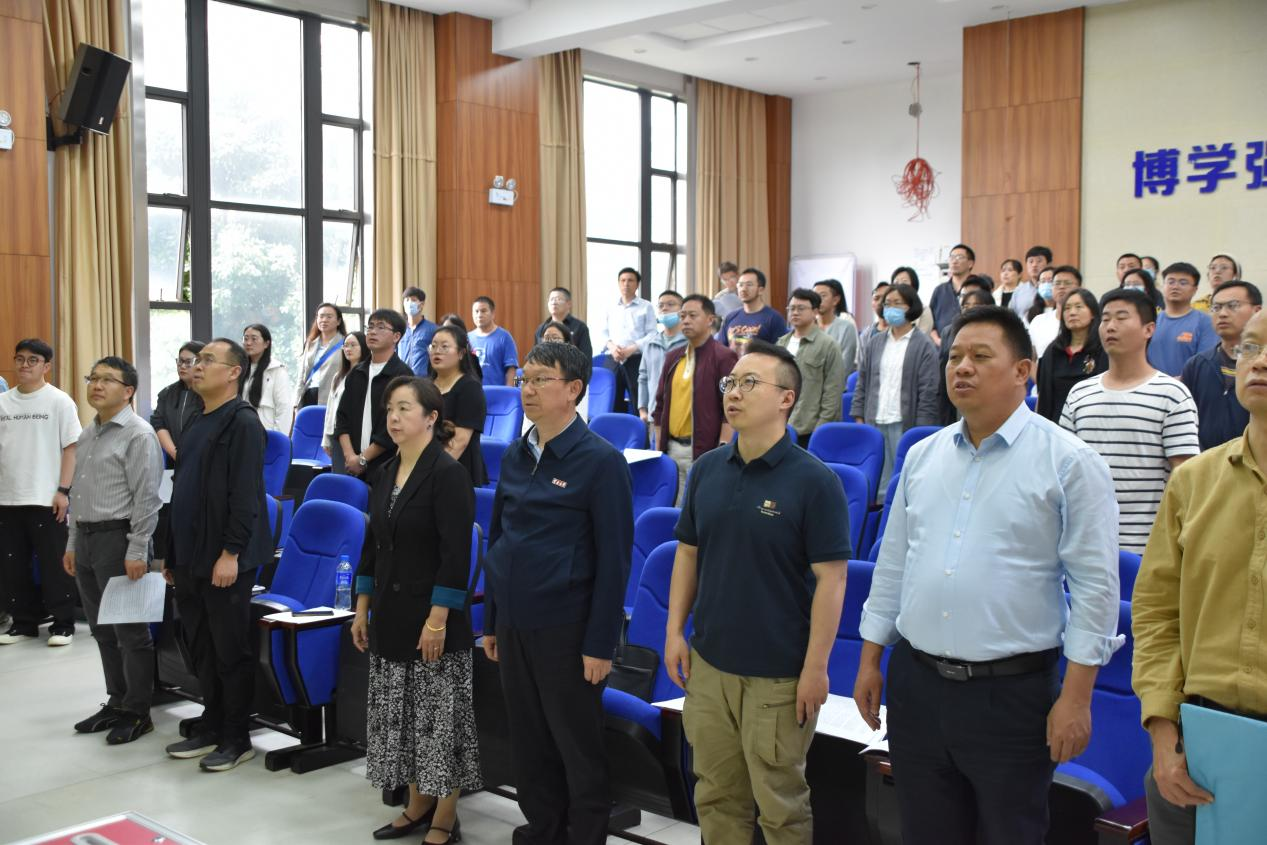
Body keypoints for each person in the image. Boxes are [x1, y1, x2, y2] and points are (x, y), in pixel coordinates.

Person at [854, 305, 1121, 845]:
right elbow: (895, 563)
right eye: (955, 356)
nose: (962, 367)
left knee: (1010, 833)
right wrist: (870, 658)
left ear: (1023, 370)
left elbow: (1095, 588)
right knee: (925, 832)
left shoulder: (1069, 461)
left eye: (980, 356)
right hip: (917, 685)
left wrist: (1076, 698)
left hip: (1013, 694)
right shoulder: (923, 456)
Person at [664, 340, 850, 844]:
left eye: (750, 383)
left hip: (778, 675)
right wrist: (675, 632)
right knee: (716, 795)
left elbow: (833, 580)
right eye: (731, 383)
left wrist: (816, 667)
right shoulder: (707, 469)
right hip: (710, 666)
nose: (734, 393)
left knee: (780, 805)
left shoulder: (815, 481)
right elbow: (687, 554)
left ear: (787, 398)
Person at [482, 341, 633, 845]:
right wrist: (492, 620)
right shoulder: (515, 453)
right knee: (528, 739)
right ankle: (543, 829)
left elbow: (615, 561)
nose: (527, 389)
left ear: (574, 389)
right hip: (514, 620)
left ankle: (584, 835)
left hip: (567, 627)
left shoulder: (601, 461)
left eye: (540, 379)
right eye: (524, 379)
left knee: (575, 744)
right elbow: (500, 539)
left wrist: (600, 644)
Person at [1132, 309, 1267, 844]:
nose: (1260, 362)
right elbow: (1157, 613)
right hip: (1196, 747)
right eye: (1251, 347)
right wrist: (1163, 734)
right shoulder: (1194, 481)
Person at [351, 377, 481, 845]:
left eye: (405, 408)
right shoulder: (385, 472)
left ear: (431, 417)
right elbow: (373, 545)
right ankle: (416, 805)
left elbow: (455, 556)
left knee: (438, 722)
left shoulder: (448, 474)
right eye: (390, 408)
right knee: (402, 719)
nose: (394, 417)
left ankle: (445, 818)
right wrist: (362, 608)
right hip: (390, 614)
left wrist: (437, 620)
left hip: (432, 620)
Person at [162, 338, 273, 772]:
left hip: (224, 557)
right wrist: (171, 553)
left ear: (233, 372)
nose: (197, 365)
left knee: (230, 650)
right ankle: (211, 722)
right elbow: (183, 491)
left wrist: (231, 553)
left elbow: (245, 496)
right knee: (201, 646)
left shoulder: (242, 422)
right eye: (197, 359)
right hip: (190, 556)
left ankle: (236, 736)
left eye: (208, 360)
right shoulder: (196, 418)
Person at [63, 356, 163, 744]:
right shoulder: (89, 432)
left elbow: (147, 498)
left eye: (108, 379)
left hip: (120, 539)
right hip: (87, 538)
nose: (97, 385)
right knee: (102, 629)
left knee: (130, 632)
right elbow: (78, 493)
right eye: (93, 378)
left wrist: (137, 549)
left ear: (129, 391)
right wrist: (73, 543)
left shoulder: (138, 434)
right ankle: (117, 700)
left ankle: (138, 711)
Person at [1060, 289, 1200, 554]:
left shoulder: (1172, 394)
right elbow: (1063, 467)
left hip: (1147, 548)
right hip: (1085, 545)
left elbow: (1185, 475)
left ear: (1149, 329)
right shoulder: (1080, 393)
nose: (1110, 326)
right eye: (1105, 319)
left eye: (1121, 318)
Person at [0, 338, 81, 647]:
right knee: (12, 565)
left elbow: (71, 448)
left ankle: (63, 623)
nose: (25, 365)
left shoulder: (59, 401)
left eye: (32, 360)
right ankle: (23, 623)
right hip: (8, 497)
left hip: (47, 497)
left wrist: (63, 490)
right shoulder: (3, 402)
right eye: (20, 358)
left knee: (54, 563)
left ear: (46, 366)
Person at [850, 284, 940, 496]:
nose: (891, 308)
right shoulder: (875, 342)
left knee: (904, 479)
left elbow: (929, 391)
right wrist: (859, 416)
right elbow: (863, 381)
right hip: (875, 420)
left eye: (897, 303)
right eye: (887, 303)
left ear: (910, 307)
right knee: (877, 480)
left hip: (906, 423)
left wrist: (921, 429)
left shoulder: (924, 344)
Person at [654, 295, 739, 504]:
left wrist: (722, 449)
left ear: (710, 320)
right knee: (672, 510)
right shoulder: (673, 357)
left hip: (703, 449)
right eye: (682, 316)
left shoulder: (723, 357)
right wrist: (659, 447)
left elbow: (730, 408)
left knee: (698, 508)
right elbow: (660, 405)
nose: (686, 321)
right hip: (671, 449)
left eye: (692, 315)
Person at [1181, 281, 1262, 450]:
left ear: (1257, 311)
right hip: (1205, 461)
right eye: (1216, 307)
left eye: (1233, 306)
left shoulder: (1261, 365)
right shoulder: (1197, 365)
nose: (1222, 314)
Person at [336, 310, 413, 482]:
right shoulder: (357, 372)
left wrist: (363, 459)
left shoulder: (403, 375)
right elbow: (342, 417)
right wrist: (350, 457)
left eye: (380, 327)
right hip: (351, 464)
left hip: (387, 464)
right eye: (370, 327)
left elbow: (396, 426)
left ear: (396, 337)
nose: (372, 332)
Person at [151, 341, 206, 565]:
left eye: (188, 362)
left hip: (202, 464)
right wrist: (176, 453)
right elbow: (159, 423)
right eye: (179, 361)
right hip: (176, 463)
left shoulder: (208, 393)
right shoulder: (168, 393)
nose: (182, 366)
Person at [778, 288, 846, 446]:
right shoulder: (781, 343)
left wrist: (821, 429)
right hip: (782, 425)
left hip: (810, 428)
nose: (795, 312)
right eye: (791, 308)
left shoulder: (828, 345)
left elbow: (833, 391)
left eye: (801, 308)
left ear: (815, 312)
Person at [1036, 288, 1108, 423]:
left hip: (1092, 424)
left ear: (1093, 313)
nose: (1072, 312)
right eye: (1067, 308)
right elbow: (1043, 396)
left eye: (1079, 307)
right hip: (1056, 425)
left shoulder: (1103, 349)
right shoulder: (1053, 351)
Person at [428, 326, 488, 486]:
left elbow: (459, 441)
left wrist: (429, 474)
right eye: (433, 346)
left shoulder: (470, 387)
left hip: (457, 469)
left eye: (444, 347)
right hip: (425, 465)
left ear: (461, 353)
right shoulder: (425, 386)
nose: (437, 351)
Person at [597, 268, 657, 413]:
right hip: (613, 359)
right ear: (618, 283)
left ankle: (640, 427)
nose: (626, 284)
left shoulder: (646, 306)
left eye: (630, 280)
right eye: (623, 280)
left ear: (637, 284)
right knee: (611, 402)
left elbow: (652, 334)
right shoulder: (610, 307)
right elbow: (603, 332)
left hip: (637, 360)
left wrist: (632, 348)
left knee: (639, 402)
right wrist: (612, 347)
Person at [936, 287, 997, 425]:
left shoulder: (996, 334)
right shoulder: (949, 332)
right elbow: (943, 369)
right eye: (966, 306)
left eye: (976, 305)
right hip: (959, 394)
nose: (970, 310)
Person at [1148, 262, 1219, 377]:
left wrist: (1176, 383)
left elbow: (1205, 366)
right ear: (1163, 286)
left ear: (1195, 289)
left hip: (1189, 386)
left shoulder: (1206, 323)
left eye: (1183, 282)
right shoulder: (1150, 321)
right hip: (1150, 385)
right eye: (1170, 282)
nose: (1175, 286)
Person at [638, 290, 688, 446]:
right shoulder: (651, 343)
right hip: (655, 414)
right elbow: (643, 377)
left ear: (682, 311)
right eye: (660, 305)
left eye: (671, 304)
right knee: (657, 455)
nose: (664, 308)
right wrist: (642, 409)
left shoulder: (690, 342)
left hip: (683, 416)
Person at [322, 331, 366, 474]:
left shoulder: (366, 375)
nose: (348, 349)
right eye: (345, 345)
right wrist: (326, 438)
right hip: (336, 433)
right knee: (338, 475)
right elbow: (330, 409)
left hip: (355, 436)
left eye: (353, 345)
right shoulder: (338, 376)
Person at [720, 267, 788, 355]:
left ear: (760, 290)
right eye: (740, 285)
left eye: (749, 285)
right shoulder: (730, 317)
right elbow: (720, 350)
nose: (743, 289)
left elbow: (781, 353)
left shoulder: (774, 318)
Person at [241, 324, 293, 433]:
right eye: (245, 339)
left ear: (266, 343)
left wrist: (278, 437)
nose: (248, 343)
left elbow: (284, 408)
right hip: (241, 430)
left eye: (254, 339)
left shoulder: (276, 370)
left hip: (266, 431)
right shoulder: (239, 369)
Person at [295, 303, 346, 409]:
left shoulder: (345, 343)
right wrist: (296, 402)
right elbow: (302, 375)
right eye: (321, 316)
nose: (324, 320)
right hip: (308, 396)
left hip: (332, 397)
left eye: (329, 317)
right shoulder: (310, 344)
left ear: (338, 321)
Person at [1029, 265, 1083, 361]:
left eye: (1067, 283)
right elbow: (1032, 357)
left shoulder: (1086, 320)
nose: (1061, 287)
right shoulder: (1038, 321)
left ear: (1080, 288)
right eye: (1057, 283)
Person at [929, 244, 975, 345]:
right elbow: (931, 322)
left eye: (959, 257)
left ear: (970, 263)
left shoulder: (978, 288)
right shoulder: (939, 290)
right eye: (952, 257)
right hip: (942, 347)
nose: (954, 261)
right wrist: (938, 341)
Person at [812, 278, 859, 379]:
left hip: (835, 384)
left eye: (823, 296)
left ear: (835, 300)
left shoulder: (846, 327)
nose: (817, 300)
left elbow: (844, 367)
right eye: (814, 296)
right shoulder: (808, 326)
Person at [469, 296, 519, 388]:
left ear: (493, 314)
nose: (479, 315)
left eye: (483, 311)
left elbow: (511, 369)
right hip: (473, 391)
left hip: (497, 392)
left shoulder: (504, 337)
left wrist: (509, 392)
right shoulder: (467, 338)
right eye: (476, 311)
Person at [534, 286, 592, 358]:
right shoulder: (541, 328)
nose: (554, 302)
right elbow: (535, 356)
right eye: (551, 299)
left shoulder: (580, 327)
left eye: (558, 299)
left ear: (569, 304)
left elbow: (586, 358)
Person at [398, 286, 438, 376]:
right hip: (401, 378)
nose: (409, 303)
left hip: (422, 379)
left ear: (422, 304)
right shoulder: (400, 329)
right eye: (407, 300)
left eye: (413, 300)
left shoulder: (432, 329)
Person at [890, 267, 936, 336]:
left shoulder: (924, 310)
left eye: (904, 281)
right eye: (896, 282)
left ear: (913, 286)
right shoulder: (889, 309)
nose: (900, 285)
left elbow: (922, 338)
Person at [858, 281, 891, 348]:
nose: (881, 302)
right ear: (872, 305)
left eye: (885, 297)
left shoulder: (901, 330)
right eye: (876, 298)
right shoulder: (866, 334)